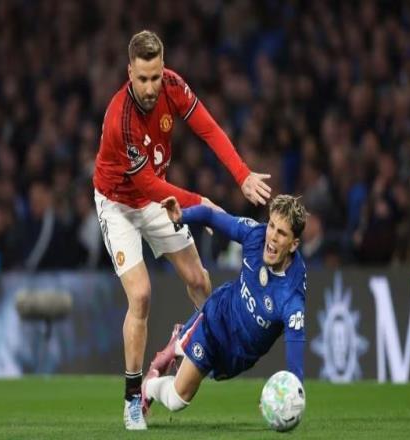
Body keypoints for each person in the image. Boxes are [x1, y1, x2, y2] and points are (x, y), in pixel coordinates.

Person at [92, 30, 272, 430]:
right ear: (129, 73)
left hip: (158, 197)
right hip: (119, 204)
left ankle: (190, 343)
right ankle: (133, 398)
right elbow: (145, 185)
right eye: (143, 79)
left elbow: (209, 129)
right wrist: (199, 203)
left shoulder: (173, 86)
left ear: (163, 69)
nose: (150, 87)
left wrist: (242, 175)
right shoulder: (120, 120)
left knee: (200, 282)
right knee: (141, 295)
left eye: (155, 77)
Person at [141, 194, 307, 420]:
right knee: (177, 400)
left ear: (294, 244)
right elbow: (210, 216)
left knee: (178, 396)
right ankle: (149, 385)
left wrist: (285, 398)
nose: (272, 237)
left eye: (282, 233)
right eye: (271, 226)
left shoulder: (291, 297)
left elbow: (295, 362)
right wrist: (182, 215)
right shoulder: (255, 235)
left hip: (237, 356)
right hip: (216, 318)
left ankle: (177, 344)